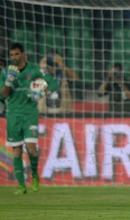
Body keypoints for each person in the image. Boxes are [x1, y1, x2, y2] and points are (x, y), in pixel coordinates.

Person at [0, 43, 59, 194]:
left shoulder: (35, 69)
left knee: (31, 150)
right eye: (12, 55)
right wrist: (8, 82)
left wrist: (42, 92)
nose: (14, 57)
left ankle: (34, 174)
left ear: (23, 54)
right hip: (13, 115)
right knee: (16, 150)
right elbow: (2, 95)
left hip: (30, 114)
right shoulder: (6, 72)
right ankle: (21, 185)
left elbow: (53, 83)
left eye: (17, 54)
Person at [38, 49, 79, 114]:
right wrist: (40, 68)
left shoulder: (63, 70)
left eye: (56, 58)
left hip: (63, 109)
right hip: (44, 109)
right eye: (50, 58)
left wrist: (62, 65)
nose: (54, 60)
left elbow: (76, 78)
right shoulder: (42, 71)